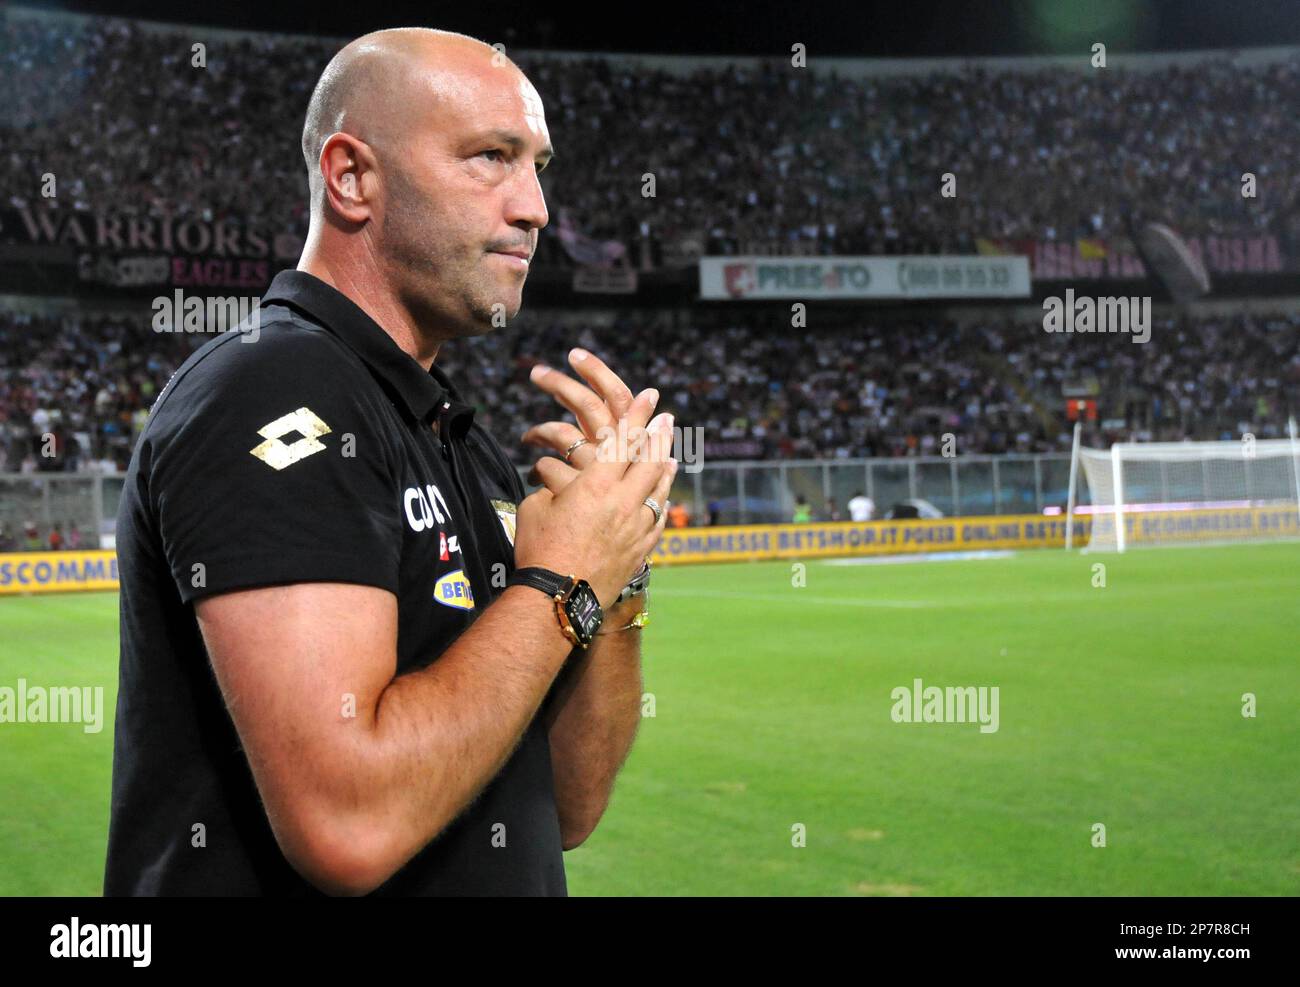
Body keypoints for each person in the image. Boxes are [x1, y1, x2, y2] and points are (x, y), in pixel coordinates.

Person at [104, 28, 675, 898]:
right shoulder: (272, 391)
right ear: (351, 177)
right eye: (491, 157)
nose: (535, 208)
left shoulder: (457, 437)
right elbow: (349, 823)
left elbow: (567, 802)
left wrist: (616, 571)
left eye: (538, 167)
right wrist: (563, 581)